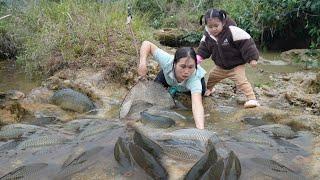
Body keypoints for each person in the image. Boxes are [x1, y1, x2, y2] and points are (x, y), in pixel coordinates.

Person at [196, 8, 260, 108]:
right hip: (220, 67)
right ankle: (209, 89)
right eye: (210, 27)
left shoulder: (232, 31)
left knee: (241, 81)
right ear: (206, 26)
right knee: (212, 77)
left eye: (216, 26)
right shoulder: (207, 36)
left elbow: (247, 42)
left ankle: (252, 99)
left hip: (236, 65)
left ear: (223, 22)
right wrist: (197, 59)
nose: (213, 29)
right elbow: (203, 49)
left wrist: (252, 58)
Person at [138, 41, 206, 129]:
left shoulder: (195, 79)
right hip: (167, 79)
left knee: (202, 93)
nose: (186, 72)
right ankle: (173, 88)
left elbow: (197, 104)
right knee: (153, 94)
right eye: (182, 66)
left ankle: (177, 89)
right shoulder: (167, 61)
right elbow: (147, 44)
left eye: (191, 67)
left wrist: (200, 129)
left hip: (187, 87)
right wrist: (142, 63)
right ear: (174, 63)